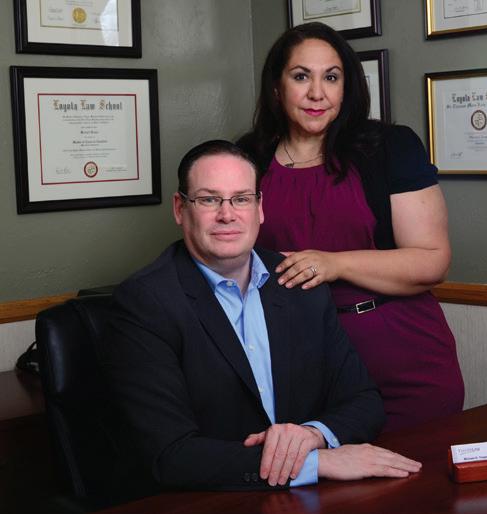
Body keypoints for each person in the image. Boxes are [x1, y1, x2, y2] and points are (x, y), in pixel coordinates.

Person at [100, 140, 421, 492]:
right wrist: (317, 462)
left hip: (304, 499)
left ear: (259, 207)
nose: (227, 214)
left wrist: (313, 435)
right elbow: (171, 455)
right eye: (208, 200)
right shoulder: (145, 303)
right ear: (180, 208)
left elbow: (365, 401)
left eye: (241, 199)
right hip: (210, 500)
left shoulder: (296, 280)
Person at [238, 22, 464, 431]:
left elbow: (433, 261)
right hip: (294, 361)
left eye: (331, 77)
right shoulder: (246, 157)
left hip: (401, 356)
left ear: (347, 87)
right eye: (301, 76)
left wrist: (333, 264)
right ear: (276, 87)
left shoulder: (390, 147)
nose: (317, 93)